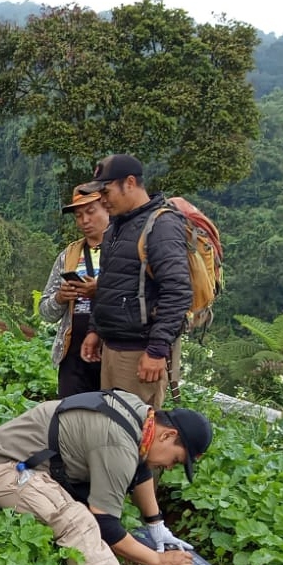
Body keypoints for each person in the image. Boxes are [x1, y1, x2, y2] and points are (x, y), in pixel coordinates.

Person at [0, 389, 213, 565]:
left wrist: (155, 523)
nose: (170, 467)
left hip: (36, 460)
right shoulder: (118, 444)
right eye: (177, 460)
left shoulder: (139, 414)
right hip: (4, 467)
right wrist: (157, 561)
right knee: (79, 523)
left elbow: (139, 468)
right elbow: (106, 525)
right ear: (168, 435)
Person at [80, 154, 191, 410]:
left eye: (106, 192)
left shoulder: (161, 225)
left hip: (139, 354)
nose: (102, 200)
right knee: (110, 428)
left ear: (129, 183)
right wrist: (95, 330)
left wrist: (156, 350)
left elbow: (177, 291)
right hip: (112, 348)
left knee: (135, 435)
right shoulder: (116, 227)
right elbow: (109, 283)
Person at [38, 185, 109, 397]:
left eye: (90, 212)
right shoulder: (68, 256)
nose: (84, 220)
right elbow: (45, 311)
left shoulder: (125, 251)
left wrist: (99, 291)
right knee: (69, 416)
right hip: (72, 355)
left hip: (111, 352)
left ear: (107, 208)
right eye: (78, 216)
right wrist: (60, 298)